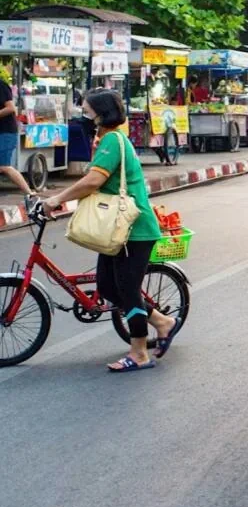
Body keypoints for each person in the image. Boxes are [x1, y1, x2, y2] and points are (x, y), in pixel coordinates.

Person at [42, 89, 177, 372]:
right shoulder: (107, 140)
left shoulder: (113, 140)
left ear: (101, 115)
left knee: (128, 290)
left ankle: (139, 353)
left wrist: (56, 199)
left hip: (134, 229)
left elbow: (93, 181)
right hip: (117, 230)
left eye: (86, 112)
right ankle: (162, 322)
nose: (83, 116)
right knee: (106, 287)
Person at [0, 71, 34, 196]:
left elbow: (11, 108)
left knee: (4, 166)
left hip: (5, 132)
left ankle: (29, 193)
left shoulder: (1, 86)